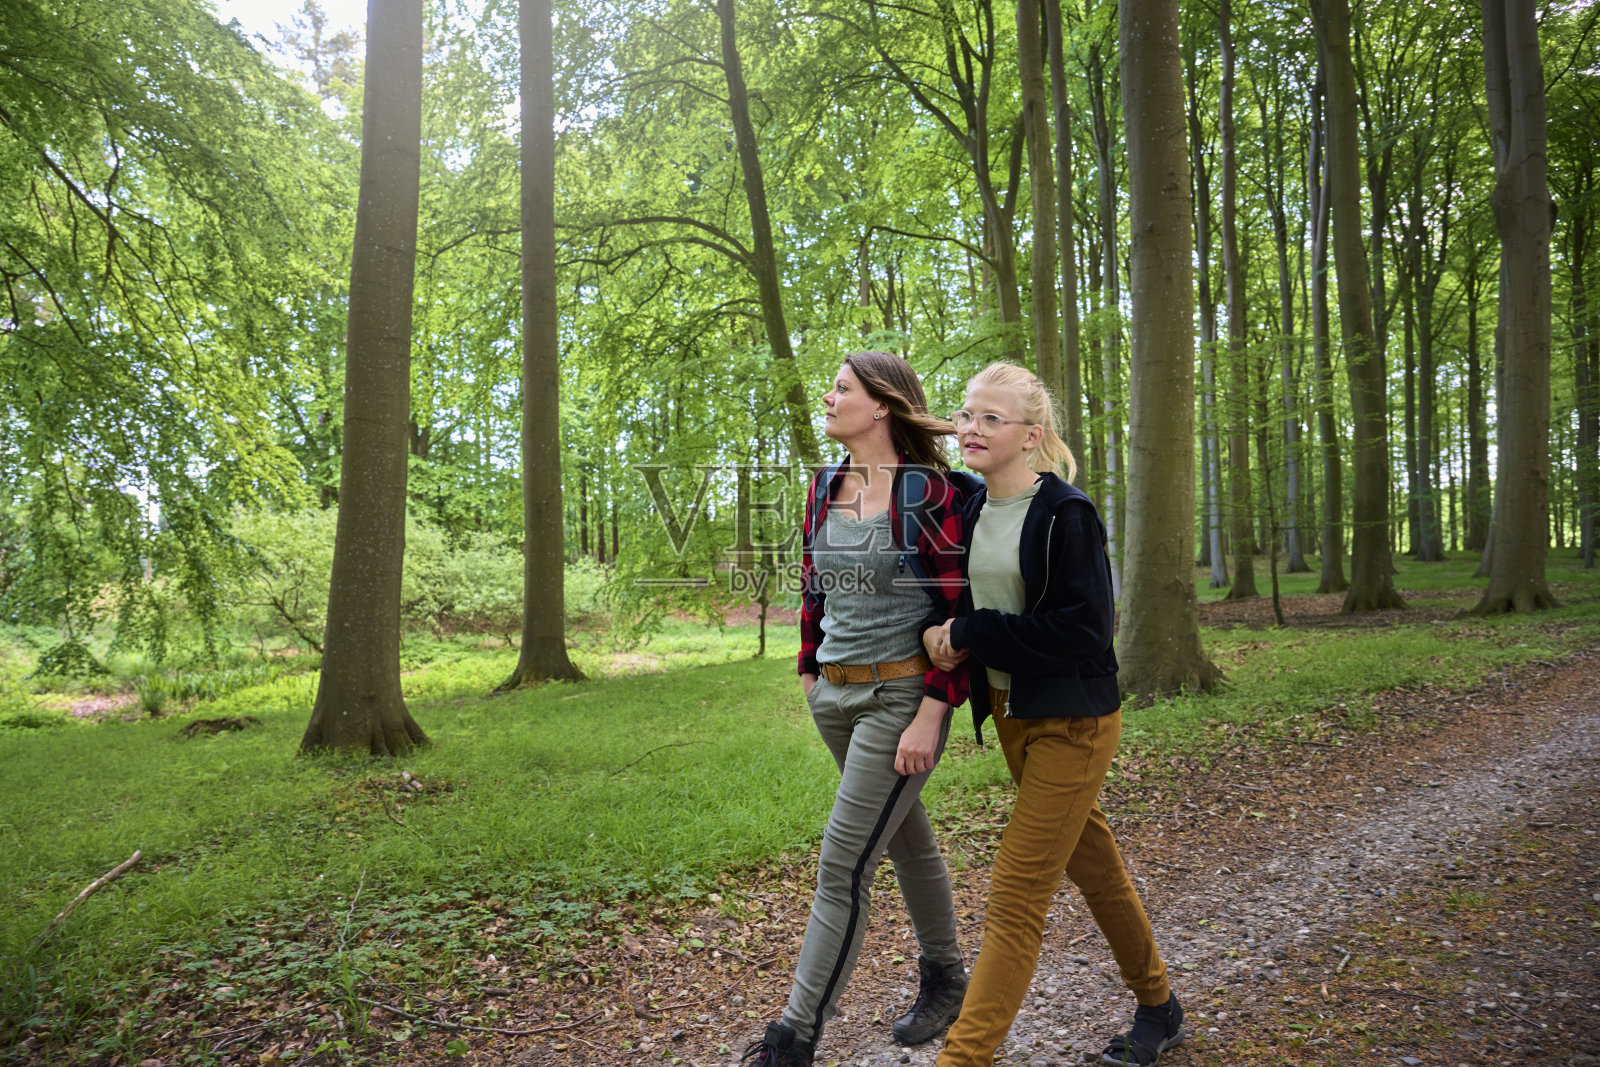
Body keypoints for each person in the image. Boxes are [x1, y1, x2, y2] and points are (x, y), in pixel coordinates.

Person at [923, 363, 1183, 1067]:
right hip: (1012, 714)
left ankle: (962, 1058)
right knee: (1094, 867)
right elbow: (965, 601)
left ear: (1031, 436)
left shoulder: (1067, 512)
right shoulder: (970, 507)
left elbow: (1085, 630)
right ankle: (1159, 1004)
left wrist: (975, 631)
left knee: (1015, 896)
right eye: (966, 414)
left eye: (991, 418)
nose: (972, 428)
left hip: (1073, 721)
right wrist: (945, 634)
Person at [743, 352, 973, 1067]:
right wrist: (809, 670)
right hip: (834, 698)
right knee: (904, 838)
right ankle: (948, 976)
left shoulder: (930, 493)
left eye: (842, 387)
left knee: (842, 865)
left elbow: (962, 613)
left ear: (880, 405)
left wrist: (933, 711)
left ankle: (794, 1036)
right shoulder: (825, 484)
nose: (828, 397)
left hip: (898, 699)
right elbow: (815, 585)